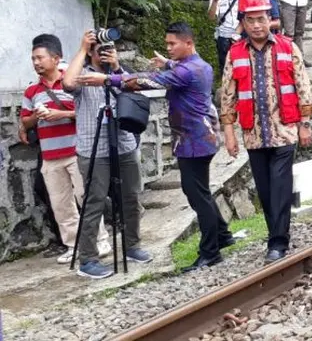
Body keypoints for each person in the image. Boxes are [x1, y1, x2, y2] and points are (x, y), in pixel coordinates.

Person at [78, 22, 235, 273]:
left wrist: (107, 79)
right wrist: (168, 61)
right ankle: (223, 234)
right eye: (168, 44)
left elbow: (149, 81)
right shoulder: (198, 65)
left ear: (188, 43)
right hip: (201, 139)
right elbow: (175, 68)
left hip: (193, 142)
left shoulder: (187, 71)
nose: (169, 48)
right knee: (199, 190)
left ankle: (211, 251)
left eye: (173, 44)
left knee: (197, 195)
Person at [220, 0, 312, 263]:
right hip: (253, 135)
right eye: (251, 20)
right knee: (265, 190)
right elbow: (227, 95)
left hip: (284, 132)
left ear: (270, 19)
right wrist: (229, 134)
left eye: (261, 19)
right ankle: (276, 234)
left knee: (280, 187)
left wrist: (305, 125)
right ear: (244, 22)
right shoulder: (235, 53)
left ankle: (277, 242)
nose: (257, 25)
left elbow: (304, 87)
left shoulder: (287, 47)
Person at [63, 31, 152, 279]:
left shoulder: (118, 74)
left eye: (108, 49)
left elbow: (136, 89)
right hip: (93, 148)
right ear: (91, 51)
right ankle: (88, 260)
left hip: (123, 143)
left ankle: (132, 246)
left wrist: (116, 67)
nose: (103, 53)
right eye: (99, 49)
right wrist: (82, 49)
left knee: (131, 196)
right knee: (95, 201)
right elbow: (67, 84)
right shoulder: (83, 76)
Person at [21, 35, 111, 265]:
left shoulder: (72, 82)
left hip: (75, 151)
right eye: (33, 59)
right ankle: (73, 245)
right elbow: (25, 122)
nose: (36, 63)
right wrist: (36, 116)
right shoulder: (32, 91)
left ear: (56, 58)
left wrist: (60, 114)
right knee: (61, 205)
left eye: (40, 58)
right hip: (50, 156)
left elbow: (87, 111)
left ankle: (100, 240)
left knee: (86, 198)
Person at [208, 0, 240, 71]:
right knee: (224, 65)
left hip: (238, 37)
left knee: (238, 65)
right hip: (223, 37)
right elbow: (211, 18)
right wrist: (215, 1)